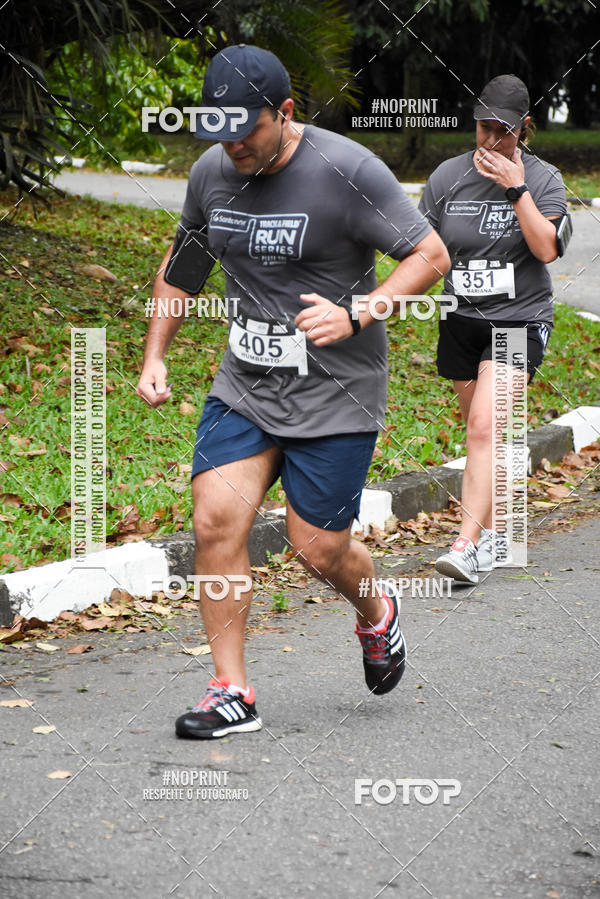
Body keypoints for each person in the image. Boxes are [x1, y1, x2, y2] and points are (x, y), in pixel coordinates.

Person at [136, 44, 450, 738]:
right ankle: (231, 690)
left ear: (284, 113)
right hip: (245, 384)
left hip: (336, 391)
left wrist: (360, 311)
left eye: (246, 126)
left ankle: (378, 611)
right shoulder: (213, 173)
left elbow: (431, 255)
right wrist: (155, 355)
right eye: (219, 128)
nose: (231, 142)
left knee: (317, 546)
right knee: (215, 519)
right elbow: (184, 263)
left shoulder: (348, 171)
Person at [418, 74, 568, 585]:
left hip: (518, 320)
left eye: (501, 131)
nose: (488, 140)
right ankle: (502, 528)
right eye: (483, 127)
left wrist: (515, 188)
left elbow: (547, 248)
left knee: (485, 428)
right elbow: (423, 252)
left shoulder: (545, 179)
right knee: (482, 434)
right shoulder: (445, 178)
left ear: (524, 129)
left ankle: (466, 546)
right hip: (462, 321)